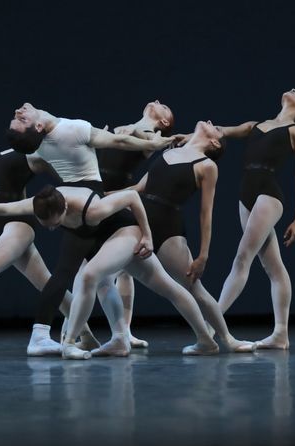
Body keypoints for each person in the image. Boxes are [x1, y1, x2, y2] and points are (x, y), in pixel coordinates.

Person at [0, 185, 219, 360]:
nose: (51, 228)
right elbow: (3, 207)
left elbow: (133, 197)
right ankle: (200, 341)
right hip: (109, 241)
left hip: (125, 232)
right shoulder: (43, 202)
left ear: (64, 208)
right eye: (44, 223)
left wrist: (147, 236)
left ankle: (70, 343)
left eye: (55, 223)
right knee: (163, 287)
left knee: (88, 276)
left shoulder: (93, 209)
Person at [5, 102, 175, 354]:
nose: (18, 111)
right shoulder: (72, 128)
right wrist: (152, 144)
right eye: (20, 119)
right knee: (99, 278)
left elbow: (45, 160)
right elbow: (120, 144)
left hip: (76, 198)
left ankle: (72, 335)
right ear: (38, 126)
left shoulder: (39, 145)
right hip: (91, 202)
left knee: (85, 276)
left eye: (18, 117)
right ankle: (82, 337)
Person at [174, 89, 295, 349]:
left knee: (242, 259)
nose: (294, 91)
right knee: (273, 267)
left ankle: (211, 328)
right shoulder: (255, 126)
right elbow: (220, 131)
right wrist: (190, 137)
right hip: (246, 195)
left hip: (268, 195)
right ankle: (281, 333)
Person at [124, 120, 255, 353]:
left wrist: (203, 255)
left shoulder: (206, 166)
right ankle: (121, 335)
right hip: (140, 218)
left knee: (194, 288)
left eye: (216, 128)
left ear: (214, 142)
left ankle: (225, 339)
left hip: (169, 228)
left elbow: (206, 214)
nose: (213, 123)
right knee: (117, 272)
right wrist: (102, 195)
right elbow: (139, 188)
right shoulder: (169, 152)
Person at [0, 149, 99, 356]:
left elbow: (67, 176)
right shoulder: (5, 153)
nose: (19, 114)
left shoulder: (35, 154)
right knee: (48, 285)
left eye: (24, 116)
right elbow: (0, 208)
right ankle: (86, 336)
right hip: (1, 224)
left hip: (18, 226)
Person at [98, 99, 175, 348]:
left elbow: (150, 145)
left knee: (106, 272)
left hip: (115, 201)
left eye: (164, 107)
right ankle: (120, 332)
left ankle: (122, 332)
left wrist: (132, 132)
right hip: (99, 195)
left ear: (164, 122)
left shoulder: (152, 134)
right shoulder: (126, 128)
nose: (158, 101)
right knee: (117, 271)